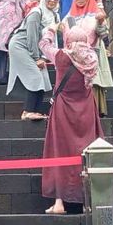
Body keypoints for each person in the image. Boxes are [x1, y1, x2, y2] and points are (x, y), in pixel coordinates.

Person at [39, 24, 103, 214]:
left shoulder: (61, 56)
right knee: (87, 150)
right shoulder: (92, 58)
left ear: (68, 41)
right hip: (86, 110)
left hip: (63, 110)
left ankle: (59, 202)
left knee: (60, 151)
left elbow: (43, 45)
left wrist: (51, 30)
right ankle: (87, 201)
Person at [7, 0, 60, 121]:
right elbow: (31, 36)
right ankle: (28, 111)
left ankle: (35, 110)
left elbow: (51, 39)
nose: (52, 1)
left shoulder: (54, 16)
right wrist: (36, 58)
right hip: (21, 45)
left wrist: (45, 57)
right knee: (35, 76)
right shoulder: (36, 13)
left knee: (43, 77)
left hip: (36, 48)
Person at [62, 0, 113, 117]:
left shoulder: (95, 14)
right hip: (74, 55)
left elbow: (103, 33)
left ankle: (94, 110)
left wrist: (101, 22)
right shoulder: (70, 16)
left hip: (92, 53)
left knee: (93, 82)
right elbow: (69, 34)